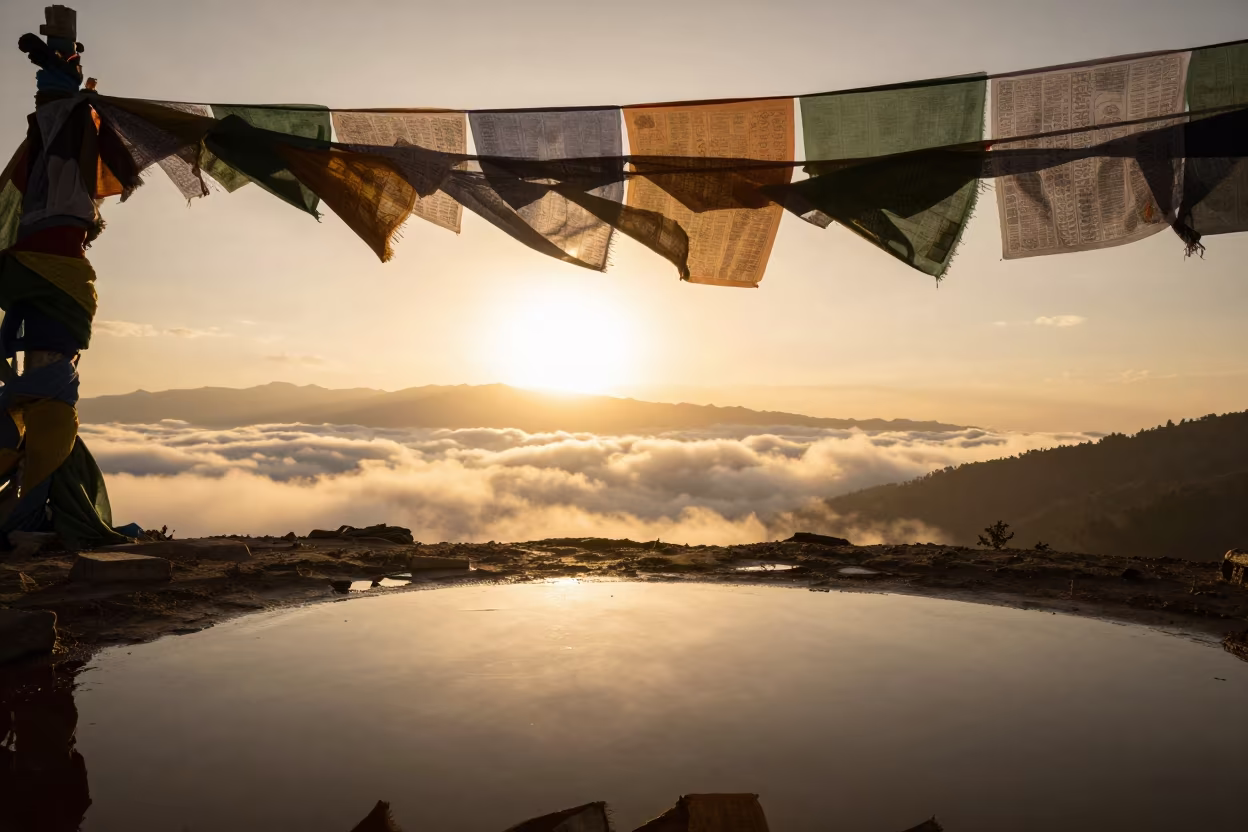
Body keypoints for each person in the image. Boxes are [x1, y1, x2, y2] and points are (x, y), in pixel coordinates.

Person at [0, 6, 130, 549]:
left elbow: (57, 115)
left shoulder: (66, 149)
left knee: (47, 400)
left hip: (49, 270)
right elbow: (51, 117)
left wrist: (58, 70)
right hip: (44, 265)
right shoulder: (54, 154)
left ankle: (31, 511)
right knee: (47, 400)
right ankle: (29, 511)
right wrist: (56, 69)